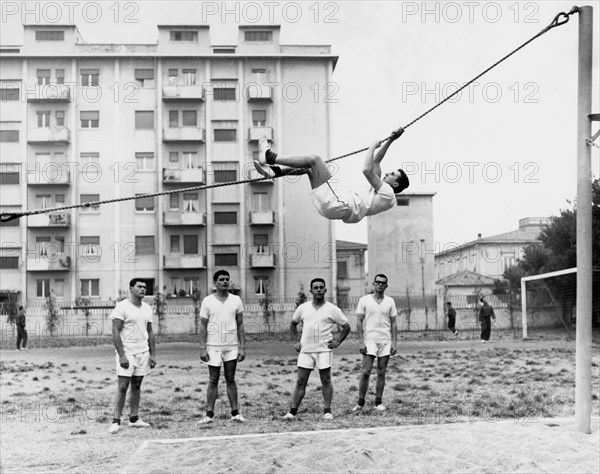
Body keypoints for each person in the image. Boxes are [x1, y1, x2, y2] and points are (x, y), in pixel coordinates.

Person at [253, 130, 409, 224]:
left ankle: (270, 156)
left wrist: (371, 147)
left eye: (393, 175)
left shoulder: (388, 194)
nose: (388, 173)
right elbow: (376, 161)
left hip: (340, 204)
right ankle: (275, 172)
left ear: (395, 185)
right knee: (309, 169)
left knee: (314, 159)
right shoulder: (378, 192)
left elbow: (367, 170)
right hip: (335, 209)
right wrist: (392, 140)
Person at [283, 278, 351, 421]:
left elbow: (346, 327)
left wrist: (338, 341)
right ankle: (292, 411)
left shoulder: (332, 309)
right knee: (301, 381)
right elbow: (293, 324)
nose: (319, 289)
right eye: (316, 287)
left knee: (326, 380)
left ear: (325, 290)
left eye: (321, 287)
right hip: (306, 350)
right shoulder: (303, 308)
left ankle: (327, 410)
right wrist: (296, 341)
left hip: (324, 350)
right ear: (311, 291)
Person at [108, 278, 156, 434]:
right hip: (127, 352)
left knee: (137, 385)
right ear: (131, 289)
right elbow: (115, 332)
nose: (143, 289)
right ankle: (116, 421)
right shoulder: (122, 307)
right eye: (139, 287)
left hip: (143, 352)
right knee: (123, 386)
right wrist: (122, 355)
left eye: (144, 287)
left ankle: (134, 418)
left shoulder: (147, 308)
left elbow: (149, 331)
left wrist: (153, 354)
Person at [198, 270, 246, 424]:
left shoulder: (236, 300)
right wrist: (202, 347)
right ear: (215, 283)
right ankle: (209, 414)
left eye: (227, 279)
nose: (225, 282)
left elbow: (240, 324)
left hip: (231, 346)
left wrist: (242, 347)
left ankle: (235, 413)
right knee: (213, 379)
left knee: (230, 378)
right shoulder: (207, 301)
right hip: (213, 347)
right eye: (221, 279)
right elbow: (203, 326)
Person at [353, 274, 397, 413]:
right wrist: (361, 341)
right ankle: (360, 403)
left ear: (386, 286)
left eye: (383, 283)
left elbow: (394, 323)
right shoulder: (364, 300)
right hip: (369, 340)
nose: (380, 285)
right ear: (373, 284)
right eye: (377, 282)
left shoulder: (390, 301)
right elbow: (359, 321)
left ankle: (378, 402)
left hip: (385, 340)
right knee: (365, 372)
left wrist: (394, 343)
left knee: (381, 372)